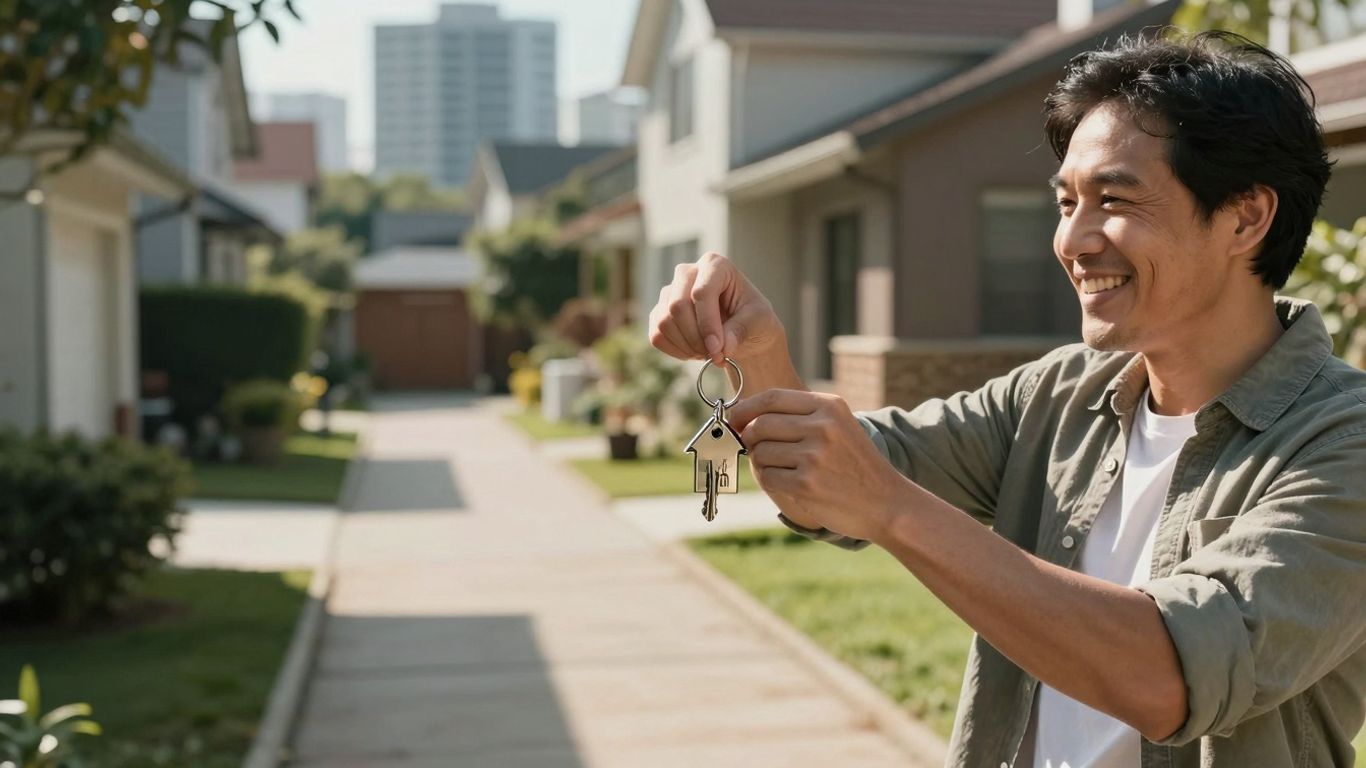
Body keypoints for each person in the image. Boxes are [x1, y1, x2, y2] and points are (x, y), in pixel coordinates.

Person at [648, 31, 1364, 768]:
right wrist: (761, 353)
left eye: (1113, 199)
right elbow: (838, 480)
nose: (1074, 240)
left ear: (1246, 217)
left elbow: (1170, 677)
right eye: (1065, 204)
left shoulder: (1343, 445)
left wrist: (892, 508)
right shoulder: (1055, 396)